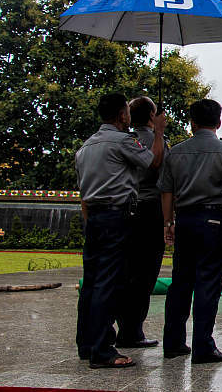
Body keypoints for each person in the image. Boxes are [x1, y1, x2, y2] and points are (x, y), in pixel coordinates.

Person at [159, 99, 222, 364]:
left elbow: (167, 192)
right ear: (219, 122)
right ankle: (203, 345)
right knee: (208, 284)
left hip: (186, 220)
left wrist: (168, 223)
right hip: (214, 221)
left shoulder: (175, 153)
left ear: (192, 123)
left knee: (180, 283)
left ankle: (174, 342)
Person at [75, 93, 166, 369]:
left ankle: (87, 343)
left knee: (90, 281)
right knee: (109, 282)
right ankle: (103, 349)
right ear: (121, 116)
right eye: (126, 111)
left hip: (95, 218)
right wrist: (159, 132)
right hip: (117, 215)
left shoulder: (86, 146)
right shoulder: (123, 141)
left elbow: (83, 195)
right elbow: (153, 162)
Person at [114, 96, 168, 350]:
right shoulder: (151, 141)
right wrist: (159, 132)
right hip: (149, 208)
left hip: (125, 209)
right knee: (145, 273)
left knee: (127, 270)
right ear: (151, 116)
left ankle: (124, 324)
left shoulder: (123, 140)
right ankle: (132, 329)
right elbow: (157, 167)